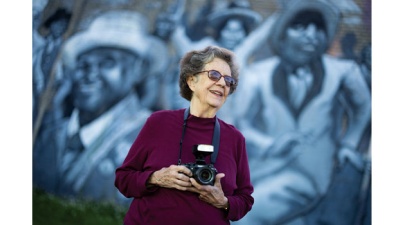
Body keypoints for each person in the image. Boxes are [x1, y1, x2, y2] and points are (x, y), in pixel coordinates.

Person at [232, 0, 371, 224]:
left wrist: (349, 144)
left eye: (319, 29)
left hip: (310, 175)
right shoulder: (259, 75)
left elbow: (365, 105)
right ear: (283, 33)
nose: (311, 35)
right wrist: (270, 144)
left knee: (241, 216)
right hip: (261, 171)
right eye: (300, 27)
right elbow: (242, 125)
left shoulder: (342, 71)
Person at [32, 10, 167, 206]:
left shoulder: (151, 140)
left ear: (138, 69)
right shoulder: (51, 131)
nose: (89, 74)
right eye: (83, 64)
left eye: (107, 62)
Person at [115, 45, 254, 225]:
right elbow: (123, 178)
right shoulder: (159, 122)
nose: (222, 83)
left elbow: (245, 199)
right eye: (214, 75)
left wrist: (224, 202)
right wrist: (155, 178)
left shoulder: (235, 138)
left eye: (228, 80)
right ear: (191, 81)